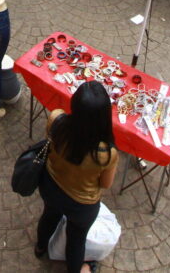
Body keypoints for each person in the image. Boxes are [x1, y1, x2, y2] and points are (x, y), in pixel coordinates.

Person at [34, 81, 118, 273]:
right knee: (76, 239)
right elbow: (105, 184)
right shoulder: (106, 153)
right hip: (82, 205)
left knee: (49, 216)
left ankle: (40, 247)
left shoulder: (56, 120)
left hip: (51, 186)